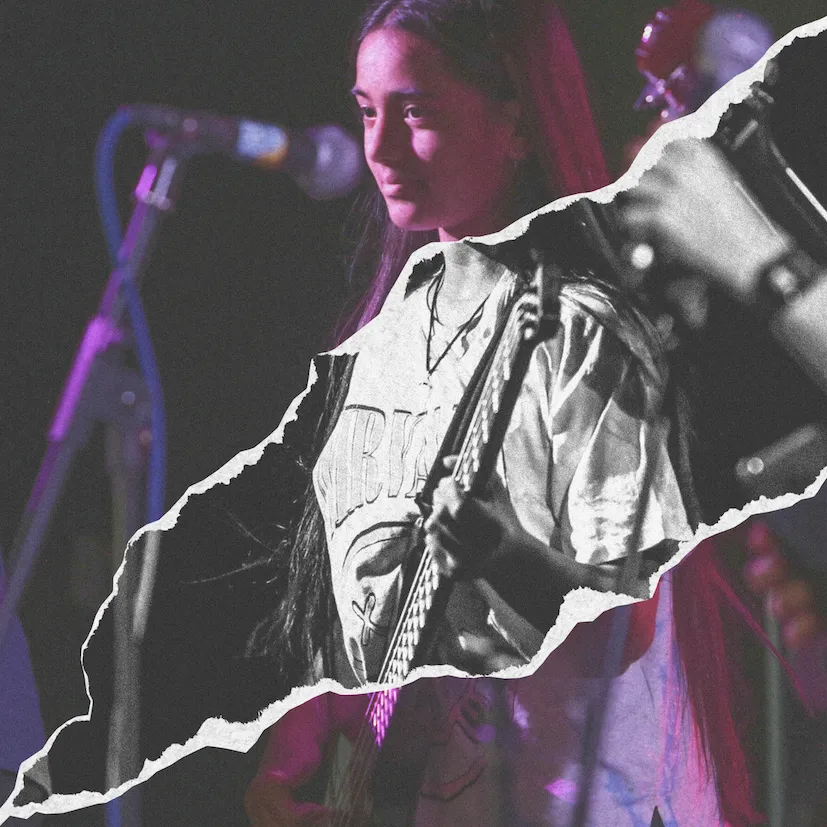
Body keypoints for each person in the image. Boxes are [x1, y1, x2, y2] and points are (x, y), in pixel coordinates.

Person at [242, 1, 763, 825]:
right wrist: (302, 740)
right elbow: (371, 603)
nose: (380, 150)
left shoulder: (583, 326)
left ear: (515, 123)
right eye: (367, 112)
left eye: (416, 113)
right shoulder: (394, 342)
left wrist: (500, 553)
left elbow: (617, 628)